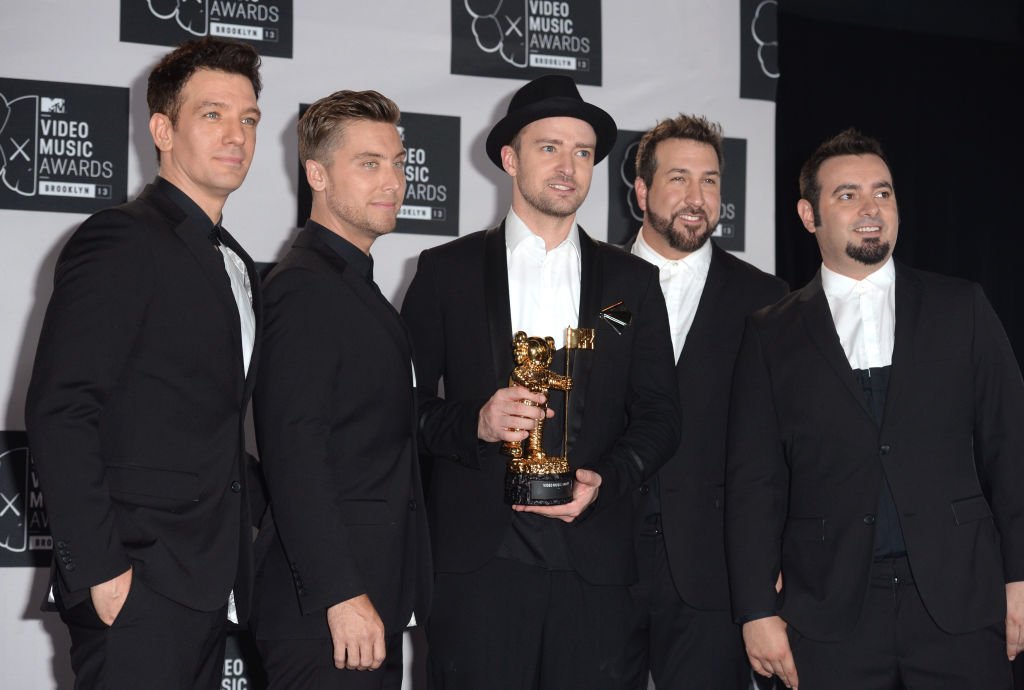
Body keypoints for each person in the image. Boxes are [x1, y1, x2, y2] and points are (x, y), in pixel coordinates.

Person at [401, 74, 680, 689]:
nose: (568, 166)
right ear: (509, 157)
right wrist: (474, 422)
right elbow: (402, 409)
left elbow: (661, 414)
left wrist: (609, 479)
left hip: (597, 565)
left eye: (582, 153)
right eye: (549, 147)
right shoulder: (446, 272)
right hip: (478, 567)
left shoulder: (630, 284)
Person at [725, 128, 1024, 689]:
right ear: (808, 215)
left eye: (883, 193)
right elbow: (753, 483)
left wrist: (1022, 578)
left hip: (960, 603)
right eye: (848, 194)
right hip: (828, 613)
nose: (871, 208)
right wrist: (756, 609)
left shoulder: (962, 308)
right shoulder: (770, 334)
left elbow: (1012, 448)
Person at [25, 37, 263, 689]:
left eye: (247, 119)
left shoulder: (234, 262)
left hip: (208, 583)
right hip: (138, 583)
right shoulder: (123, 238)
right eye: (212, 115)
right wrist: (104, 574)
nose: (235, 134)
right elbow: (60, 408)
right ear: (162, 129)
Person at [250, 89, 431, 689]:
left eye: (398, 162)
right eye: (369, 164)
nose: (393, 181)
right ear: (317, 175)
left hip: (367, 602)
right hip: (328, 615)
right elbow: (294, 453)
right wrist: (341, 594)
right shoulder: (304, 289)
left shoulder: (354, 286)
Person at [623, 114, 787, 689]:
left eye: (711, 181)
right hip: (596, 558)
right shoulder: (590, 283)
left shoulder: (767, 300)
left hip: (715, 568)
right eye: (679, 179)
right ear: (642, 191)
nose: (697, 198)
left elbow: (786, 445)